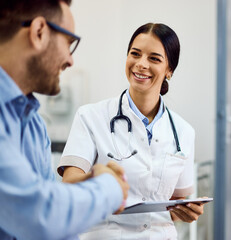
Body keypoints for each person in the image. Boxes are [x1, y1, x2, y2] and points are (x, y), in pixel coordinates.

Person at [58, 23, 207, 239]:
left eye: (154, 58)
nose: (141, 64)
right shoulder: (90, 116)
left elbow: (176, 206)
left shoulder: (183, 132)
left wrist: (187, 211)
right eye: (134, 54)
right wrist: (98, 180)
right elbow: (70, 188)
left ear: (169, 70)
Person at [0, 1, 129, 239]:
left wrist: (91, 182)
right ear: (39, 32)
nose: (71, 61)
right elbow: (40, 215)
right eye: (69, 43)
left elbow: (50, 215)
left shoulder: (33, 125)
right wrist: (109, 188)